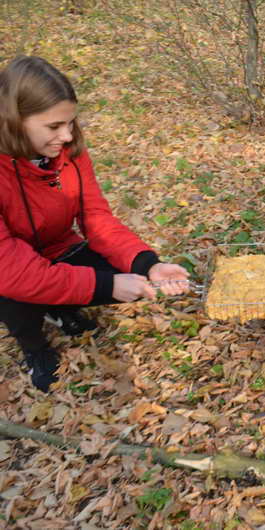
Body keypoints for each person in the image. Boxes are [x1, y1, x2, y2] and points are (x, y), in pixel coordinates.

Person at [0, 56, 190, 392]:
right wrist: (103, 286)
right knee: (15, 295)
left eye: (70, 123)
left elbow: (95, 216)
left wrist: (148, 264)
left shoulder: (68, 151)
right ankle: (35, 348)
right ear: (13, 120)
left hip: (58, 248)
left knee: (126, 276)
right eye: (54, 126)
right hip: (8, 271)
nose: (67, 134)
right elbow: (12, 268)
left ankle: (60, 306)